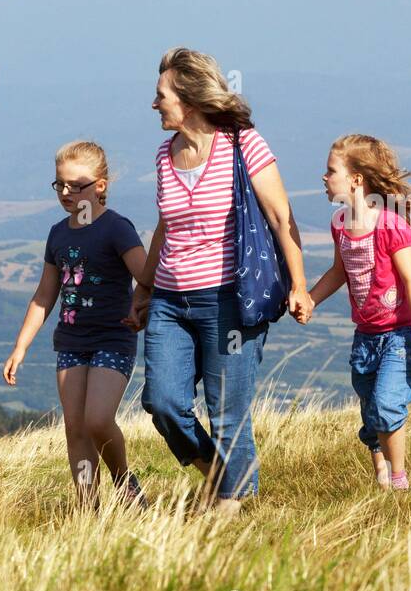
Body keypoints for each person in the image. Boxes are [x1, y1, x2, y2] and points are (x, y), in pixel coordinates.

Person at [127, 48, 313, 514]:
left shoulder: (242, 143)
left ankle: (229, 514)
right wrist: (144, 288)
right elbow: (166, 227)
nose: (154, 104)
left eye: (161, 95)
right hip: (171, 300)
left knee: (228, 412)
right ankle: (219, 473)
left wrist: (299, 284)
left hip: (228, 300)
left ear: (187, 99)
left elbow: (280, 216)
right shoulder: (164, 155)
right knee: (163, 402)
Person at [4, 140, 149, 510]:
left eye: (75, 185)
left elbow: (145, 276)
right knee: (75, 428)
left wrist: (140, 305)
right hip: (70, 341)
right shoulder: (58, 234)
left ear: (100, 185)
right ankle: (88, 509)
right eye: (59, 185)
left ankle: (124, 483)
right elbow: (44, 295)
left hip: (113, 338)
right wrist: (20, 348)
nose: (66, 193)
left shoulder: (117, 228)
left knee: (98, 420)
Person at [301, 134, 411, 490]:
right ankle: (379, 468)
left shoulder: (390, 225)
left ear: (356, 180)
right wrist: (312, 299)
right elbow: (339, 271)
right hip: (365, 338)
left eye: (331, 171)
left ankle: (399, 478)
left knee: (386, 405)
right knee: (369, 411)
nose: (324, 178)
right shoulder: (340, 226)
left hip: (398, 336)